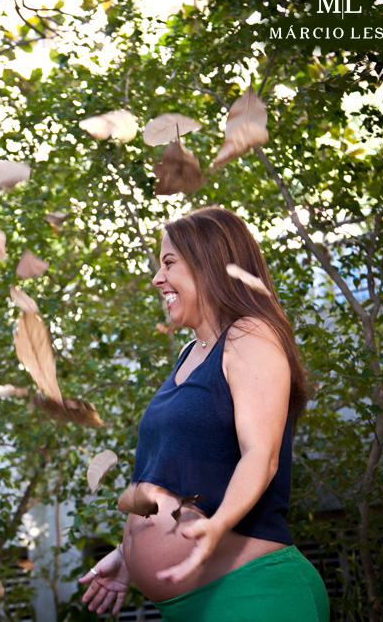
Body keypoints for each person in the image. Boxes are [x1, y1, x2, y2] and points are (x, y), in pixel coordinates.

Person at [79, 207, 329, 621]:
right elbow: (181, 472)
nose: (157, 279)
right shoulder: (188, 354)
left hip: (255, 594)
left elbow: (260, 456)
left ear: (210, 262)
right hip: (195, 605)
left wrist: (217, 527)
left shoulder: (250, 333)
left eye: (169, 263)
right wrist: (128, 555)